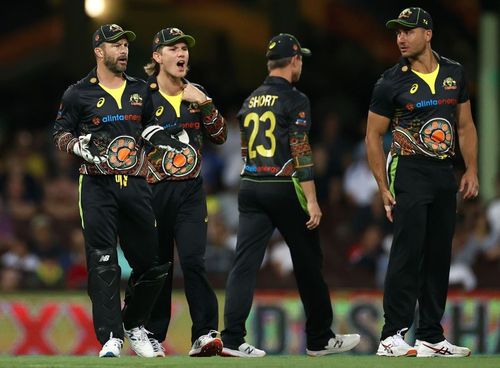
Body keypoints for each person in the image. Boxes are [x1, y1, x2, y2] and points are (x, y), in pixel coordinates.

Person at [220, 33, 360, 357]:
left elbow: (245, 149)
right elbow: (301, 150)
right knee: (309, 261)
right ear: (295, 60)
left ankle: (231, 338)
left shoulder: (250, 99)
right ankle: (320, 338)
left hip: (251, 185)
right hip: (282, 186)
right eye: (301, 61)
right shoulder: (296, 99)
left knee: (244, 264)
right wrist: (312, 198)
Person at [365, 8, 478, 357]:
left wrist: (471, 169)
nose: (400, 38)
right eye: (397, 32)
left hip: (444, 174)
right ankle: (391, 335)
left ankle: (430, 334)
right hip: (409, 171)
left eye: (408, 31)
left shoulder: (454, 73)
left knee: (438, 254)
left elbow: (465, 126)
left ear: (427, 34)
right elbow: (373, 137)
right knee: (407, 252)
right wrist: (383, 186)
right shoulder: (389, 82)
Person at [53, 24, 171, 358]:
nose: (123, 50)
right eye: (115, 45)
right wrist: (78, 145)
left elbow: (148, 125)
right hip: (96, 185)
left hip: (135, 184)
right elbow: (59, 133)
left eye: (125, 45)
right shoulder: (78, 93)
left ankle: (133, 323)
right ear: (98, 51)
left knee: (152, 263)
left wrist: (163, 141)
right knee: (103, 261)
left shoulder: (140, 88)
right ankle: (111, 337)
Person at [140, 27, 227, 357]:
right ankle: (152, 334)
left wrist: (204, 103)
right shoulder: (143, 95)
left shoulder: (197, 91)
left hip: (191, 191)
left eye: (184, 48)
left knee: (193, 260)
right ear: (157, 56)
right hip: (153, 192)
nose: (182, 54)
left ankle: (204, 334)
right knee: (158, 265)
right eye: (173, 48)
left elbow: (220, 136)